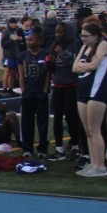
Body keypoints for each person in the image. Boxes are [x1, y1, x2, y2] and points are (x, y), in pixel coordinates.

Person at [72, 21, 107, 177]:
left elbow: (94, 65)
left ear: (95, 35)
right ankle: (93, 163)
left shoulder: (103, 43)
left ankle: (100, 166)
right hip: (83, 90)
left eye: (86, 36)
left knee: (95, 130)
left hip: (97, 90)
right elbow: (74, 67)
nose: (83, 38)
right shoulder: (84, 47)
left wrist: (84, 67)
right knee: (88, 131)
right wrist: (85, 66)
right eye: (82, 35)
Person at [47, 22, 81, 161]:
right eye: (56, 32)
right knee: (57, 117)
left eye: (60, 32)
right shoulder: (54, 45)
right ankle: (59, 148)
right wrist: (50, 61)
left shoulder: (75, 45)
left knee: (71, 117)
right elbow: (51, 68)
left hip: (72, 85)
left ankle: (75, 146)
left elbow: (76, 66)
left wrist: (62, 53)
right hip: (58, 84)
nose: (57, 35)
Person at [17, 31, 51, 158]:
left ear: (39, 41)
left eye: (31, 40)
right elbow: (21, 74)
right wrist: (23, 90)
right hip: (28, 92)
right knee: (26, 121)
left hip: (41, 92)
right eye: (28, 40)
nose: (28, 42)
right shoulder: (23, 55)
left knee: (43, 122)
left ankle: (42, 148)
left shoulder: (46, 54)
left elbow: (48, 73)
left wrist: (45, 89)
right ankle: (27, 148)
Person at [0, 17, 23, 93]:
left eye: (15, 23)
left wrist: (19, 39)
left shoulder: (15, 32)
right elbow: (3, 44)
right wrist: (12, 39)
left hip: (15, 54)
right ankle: (4, 88)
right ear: (9, 23)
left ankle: (10, 88)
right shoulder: (6, 32)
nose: (14, 24)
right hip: (8, 55)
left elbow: (16, 43)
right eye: (12, 23)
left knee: (13, 72)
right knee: (7, 71)